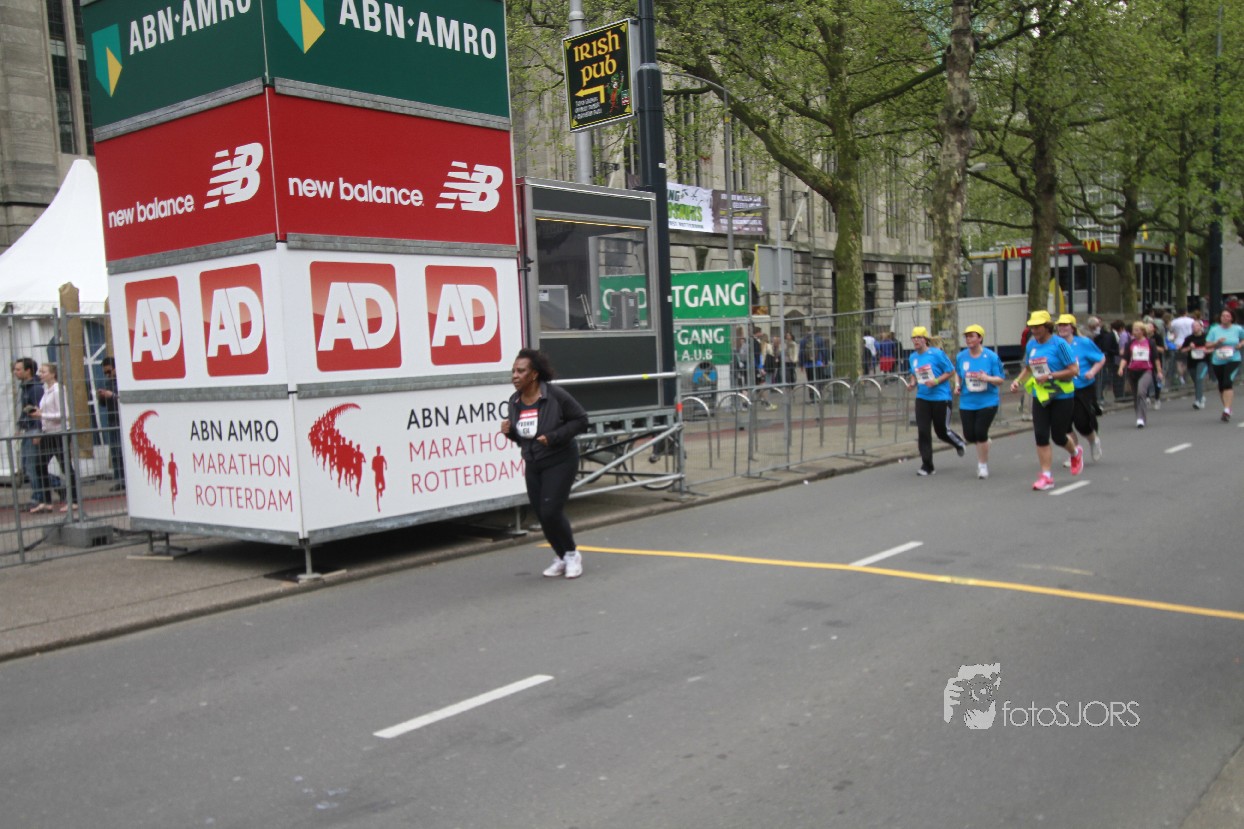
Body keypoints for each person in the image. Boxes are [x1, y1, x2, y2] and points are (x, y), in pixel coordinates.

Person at [500, 349, 590, 579]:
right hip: (533, 462)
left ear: (534, 374)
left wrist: (554, 437)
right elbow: (523, 438)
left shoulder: (555, 395)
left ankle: (572, 554)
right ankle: (561, 556)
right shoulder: (515, 401)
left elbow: (581, 420)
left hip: (560, 459)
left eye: (521, 371)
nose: (515, 375)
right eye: (513, 371)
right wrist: (509, 433)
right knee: (541, 514)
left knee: (551, 510)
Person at [1009, 310, 1081, 491]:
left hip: (1062, 395)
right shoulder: (1031, 345)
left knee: (1058, 436)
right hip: (1040, 396)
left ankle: (1075, 452)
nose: (1034, 330)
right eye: (1032, 327)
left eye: (1037, 327)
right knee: (1041, 435)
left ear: (1047, 327)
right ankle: (1046, 476)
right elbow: (1028, 368)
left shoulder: (1059, 344)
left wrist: (1050, 376)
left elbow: (1074, 370)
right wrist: (1017, 381)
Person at [905, 326, 966, 476]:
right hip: (922, 398)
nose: (916, 341)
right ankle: (927, 465)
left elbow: (951, 371)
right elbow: (913, 373)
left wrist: (936, 381)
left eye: (919, 338)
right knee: (923, 431)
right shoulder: (913, 357)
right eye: (914, 338)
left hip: (941, 398)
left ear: (925, 340)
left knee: (941, 431)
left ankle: (958, 442)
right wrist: (912, 384)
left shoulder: (937, 354)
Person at [953, 324, 1004, 479]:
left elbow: (1000, 379)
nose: (968, 339)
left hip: (988, 401)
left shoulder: (991, 357)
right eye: (966, 336)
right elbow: (958, 373)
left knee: (980, 432)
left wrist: (987, 378)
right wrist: (957, 385)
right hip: (967, 401)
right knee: (969, 435)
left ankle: (982, 466)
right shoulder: (961, 356)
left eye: (972, 336)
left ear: (980, 338)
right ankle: (984, 442)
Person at [29, 362, 78, 513]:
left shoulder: (58, 390)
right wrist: (39, 413)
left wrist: (42, 414)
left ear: (52, 374)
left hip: (59, 433)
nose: (40, 374)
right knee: (39, 464)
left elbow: (64, 414)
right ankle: (46, 501)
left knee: (65, 465)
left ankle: (74, 500)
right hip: (48, 433)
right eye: (40, 371)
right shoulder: (46, 390)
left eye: (43, 371)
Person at [1057, 314, 1105, 462]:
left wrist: (1092, 372)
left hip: (1082, 387)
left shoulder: (1083, 342)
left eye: (1065, 325)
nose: (1062, 328)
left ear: (1072, 328)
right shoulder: (1055, 345)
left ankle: (1093, 440)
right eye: (1060, 325)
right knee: (1065, 425)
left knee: (1082, 422)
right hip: (1061, 389)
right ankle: (1075, 454)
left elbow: (1101, 358)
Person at [13, 357, 48, 511]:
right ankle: (57, 486)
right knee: (29, 465)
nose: (15, 372)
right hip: (28, 429)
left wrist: (38, 431)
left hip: (34, 429)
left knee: (32, 466)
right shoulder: (26, 388)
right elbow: (26, 410)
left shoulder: (35, 389)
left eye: (18, 369)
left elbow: (40, 411)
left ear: (28, 371)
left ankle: (38, 497)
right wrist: (20, 426)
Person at [1118, 321, 1161, 428]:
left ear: (1142, 331)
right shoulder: (1130, 343)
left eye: (1137, 330)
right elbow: (1125, 357)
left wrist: (1159, 371)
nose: (1134, 332)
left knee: (1141, 392)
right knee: (1136, 395)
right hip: (1132, 371)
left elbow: (1156, 358)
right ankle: (1138, 416)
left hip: (1146, 370)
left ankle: (1141, 417)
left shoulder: (1150, 342)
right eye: (1133, 330)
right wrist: (1121, 368)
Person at [1205, 308, 1244, 422]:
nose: (1225, 318)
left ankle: (1226, 410)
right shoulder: (1214, 330)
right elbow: (1207, 345)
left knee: (1227, 381)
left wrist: (1240, 344)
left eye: (1227, 316)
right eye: (1223, 316)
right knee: (1222, 385)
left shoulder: (1237, 329)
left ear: (1231, 318)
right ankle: (1227, 407)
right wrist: (1217, 342)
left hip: (1233, 359)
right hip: (1218, 360)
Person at [97, 357, 125, 490]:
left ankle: (126, 480)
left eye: (109, 372)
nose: (107, 375)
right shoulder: (108, 383)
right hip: (112, 419)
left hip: (121, 420)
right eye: (105, 373)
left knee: (121, 451)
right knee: (115, 452)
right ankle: (120, 480)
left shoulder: (123, 381)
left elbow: (127, 399)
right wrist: (102, 397)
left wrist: (112, 395)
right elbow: (103, 404)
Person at [1180, 319, 1209, 409]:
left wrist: (1206, 350)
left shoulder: (1206, 337)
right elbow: (1182, 350)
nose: (1194, 328)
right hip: (1192, 362)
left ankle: (1198, 401)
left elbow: (1213, 348)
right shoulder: (1189, 338)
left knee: (1199, 378)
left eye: (1196, 326)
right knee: (1196, 381)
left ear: (1201, 327)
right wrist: (1189, 347)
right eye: (1193, 326)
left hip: (1203, 361)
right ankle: (1201, 396)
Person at [1090, 316, 1117, 404]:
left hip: (1105, 360)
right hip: (1093, 361)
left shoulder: (1107, 334)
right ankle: (1096, 397)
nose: (1097, 327)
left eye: (1098, 324)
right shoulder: (1089, 335)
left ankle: (1099, 397)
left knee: (1103, 379)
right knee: (1097, 379)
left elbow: (1113, 347)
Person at [1168, 307, 1195, 387]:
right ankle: (1187, 377)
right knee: (1187, 361)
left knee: (1179, 361)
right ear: (1186, 312)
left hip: (1178, 343)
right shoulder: (1192, 321)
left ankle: (1181, 377)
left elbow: (1171, 331)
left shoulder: (1174, 322)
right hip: (1189, 343)